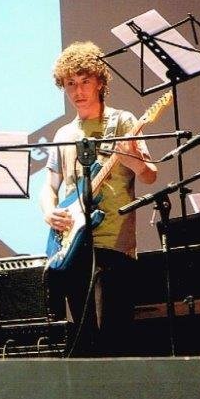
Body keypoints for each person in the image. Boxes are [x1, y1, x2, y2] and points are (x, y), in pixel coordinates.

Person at [40, 41, 158, 357]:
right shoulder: (63, 134)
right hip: (73, 243)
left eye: (84, 81)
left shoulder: (123, 122)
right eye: (70, 84)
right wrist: (49, 212)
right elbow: (49, 186)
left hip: (115, 243)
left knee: (116, 338)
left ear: (100, 82)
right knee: (84, 338)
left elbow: (149, 174)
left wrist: (127, 156)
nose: (78, 90)